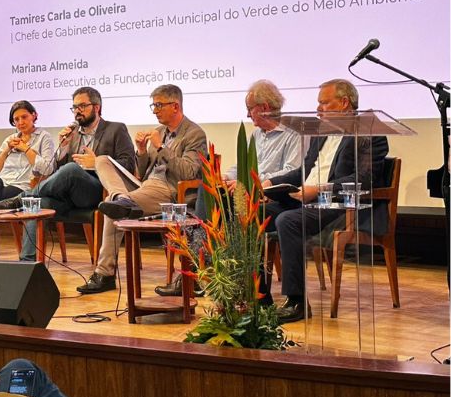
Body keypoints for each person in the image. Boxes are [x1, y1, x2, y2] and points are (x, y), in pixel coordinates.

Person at [262, 79, 389, 323]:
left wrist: (320, 189)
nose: (318, 108)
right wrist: (270, 183)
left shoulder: (369, 133)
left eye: (324, 103)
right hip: (304, 199)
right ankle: (258, 296)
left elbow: (364, 179)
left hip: (338, 204)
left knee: (288, 220)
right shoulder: (320, 134)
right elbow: (303, 172)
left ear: (344, 103)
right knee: (251, 214)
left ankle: (297, 302)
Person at [163, 80, 302, 297]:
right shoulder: (257, 135)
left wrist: (249, 183)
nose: (248, 114)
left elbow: (292, 171)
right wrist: (224, 177)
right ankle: (203, 269)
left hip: (273, 198)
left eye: (250, 109)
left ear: (264, 107)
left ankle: (207, 273)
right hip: (246, 194)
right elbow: (241, 165)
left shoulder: (292, 134)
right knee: (208, 187)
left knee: (230, 215)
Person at [77, 84, 207, 294]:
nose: (155, 110)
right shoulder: (159, 131)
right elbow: (143, 171)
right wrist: (141, 151)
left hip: (169, 190)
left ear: (175, 106)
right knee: (102, 160)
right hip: (145, 186)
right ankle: (121, 197)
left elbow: (189, 172)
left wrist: (161, 148)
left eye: (159, 105)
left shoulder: (194, 134)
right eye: (153, 106)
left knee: (112, 207)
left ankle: (105, 274)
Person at [0, 87, 135, 261]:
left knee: (71, 169)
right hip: (68, 195)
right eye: (74, 107)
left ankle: (23, 197)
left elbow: (129, 165)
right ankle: (27, 262)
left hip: (98, 191)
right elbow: (58, 173)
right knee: (35, 205)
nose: (77, 111)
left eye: (82, 106)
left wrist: (97, 162)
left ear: (96, 107)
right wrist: (63, 148)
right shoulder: (73, 134)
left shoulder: (115, 129)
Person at [0, 101, 55, 259]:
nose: (20, 122)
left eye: (24, 117)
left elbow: (47, 169)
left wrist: (26, 149)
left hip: (23, 188)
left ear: (34, 115)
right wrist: (7, 149)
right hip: (3, 183)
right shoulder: (10, 138)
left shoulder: (44, 137)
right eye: (16, 119)